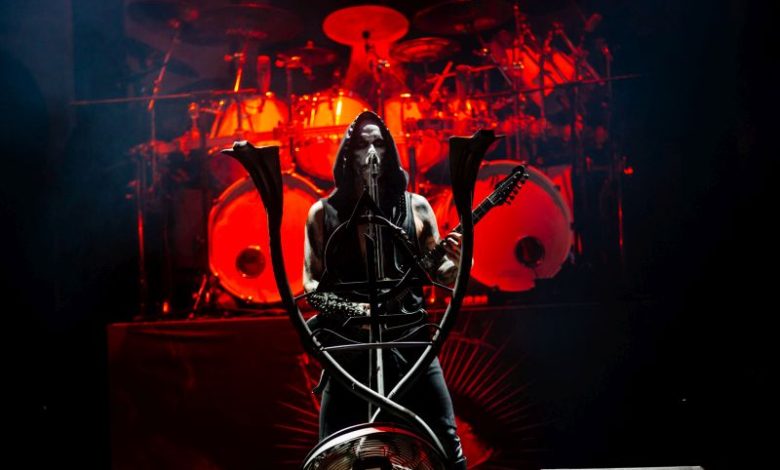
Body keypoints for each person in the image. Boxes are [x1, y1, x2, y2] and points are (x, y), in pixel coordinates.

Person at [302, 111, 467, 468]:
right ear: (349, 154)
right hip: (349, 349)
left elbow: (441, 274)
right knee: (332, 448)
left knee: (446, 439)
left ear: (390, 151)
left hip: (411, 343)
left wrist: (457, 262)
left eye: (379, 144)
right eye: (363, 146)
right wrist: (358, 311)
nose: (372, 154)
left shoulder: (416, 207)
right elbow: (312, 287)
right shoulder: (323, 214)